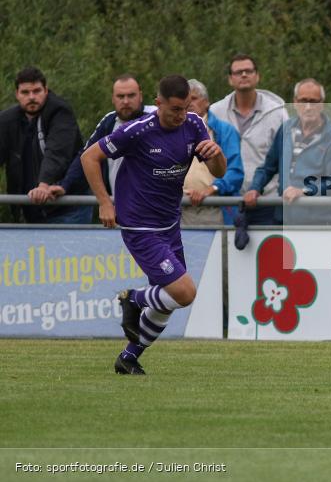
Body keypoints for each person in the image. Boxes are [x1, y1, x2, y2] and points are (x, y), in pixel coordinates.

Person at [81, 75, 226, 375]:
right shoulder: (137, 131)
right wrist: (105, 202)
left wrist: (217, 156)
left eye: (185, 108)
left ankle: (129, 357)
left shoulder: (195, 125)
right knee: (185, 293)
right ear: (158, 103)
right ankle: (132, 299)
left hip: (169, 224)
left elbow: (219, 171)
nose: (181, 115)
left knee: (168, 300)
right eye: (174, 109)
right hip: (140, 227)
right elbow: (89, 157)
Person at [244, 78, 331, 225]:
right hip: (283, 218)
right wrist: (255, 188)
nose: (308, 107)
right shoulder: (285, 129)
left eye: (314, 101)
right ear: (295, 102)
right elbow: (268, 167)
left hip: (318, 223)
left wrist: (303, 191)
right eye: (303, 101)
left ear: (322, 104)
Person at [0, 66, 89, 223]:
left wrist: (44, 185)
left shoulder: (60, 112)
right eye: (25, 92)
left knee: (66, 248)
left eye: (37, 91)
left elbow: (57, 152)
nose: (32, 97)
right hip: (30, 208)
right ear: (17, 94)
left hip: (67, 205)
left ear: (46, 90)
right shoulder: (8, 120)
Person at [51, 74, 156, 202]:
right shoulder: (109, 122)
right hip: (121, 206)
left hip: (157, 206)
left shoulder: (157, 117)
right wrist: (65, 186)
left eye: (131, 95)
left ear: (140, 96)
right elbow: (85, 156)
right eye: (120, 96)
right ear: (113, 98)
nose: (126, 101)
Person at [209, 54, 287, 226]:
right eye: (238, 72)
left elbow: (285, 160)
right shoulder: (215, 112)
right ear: (230, 79)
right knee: (226, 252)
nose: (244, 75)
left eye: (248, 71)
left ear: (257, 76)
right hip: (227, 202)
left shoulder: (277, 112)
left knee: (268, 253)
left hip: (267, 201)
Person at [181, 79, 244, 226]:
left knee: (218, 249)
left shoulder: (225, 131)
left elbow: (235, 172)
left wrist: (210, 190)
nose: (189, 103)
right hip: (178, 211)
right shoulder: (170, 132)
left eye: (194, 98)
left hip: (214, 208)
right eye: (185, 99)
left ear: (206, 102)